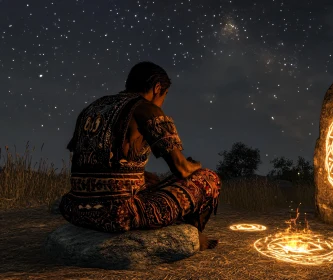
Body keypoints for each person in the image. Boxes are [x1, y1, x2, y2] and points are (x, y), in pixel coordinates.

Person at [59, 61, 221, 250]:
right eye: (164, 95)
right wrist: (195, 165)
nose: (162, 101)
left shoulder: (95, 107)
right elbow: (181, 169)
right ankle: (194, 237)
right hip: (117, 213)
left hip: (74, 209)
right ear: (157, 88)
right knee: (208, 179)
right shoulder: (146, 108)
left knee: (150, 179)